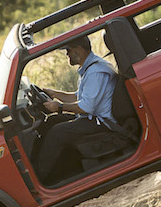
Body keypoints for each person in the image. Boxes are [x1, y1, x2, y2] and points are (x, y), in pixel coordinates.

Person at [33, 35, 119, 183]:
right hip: (92, 118)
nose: (67, 54)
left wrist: (59, 107)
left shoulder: (95, 72)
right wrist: (55, 94)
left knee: (57, 133)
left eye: (68, 50)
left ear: (79, 49)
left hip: (102, 123)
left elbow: (86, 107)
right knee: (53, 121)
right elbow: (78, 97)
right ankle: (46, 167)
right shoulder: (89, 68)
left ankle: (41, 179)